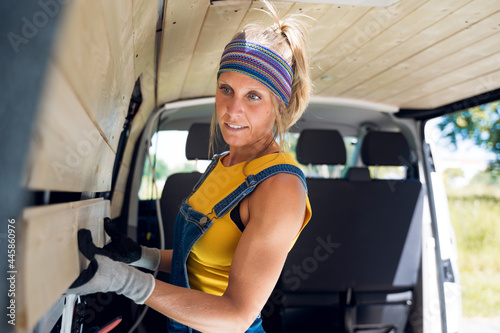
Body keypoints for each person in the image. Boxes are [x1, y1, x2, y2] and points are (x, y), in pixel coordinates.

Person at [69, 2, 312, 332]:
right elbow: (198, 262)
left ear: (278, 104)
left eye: (253, 96)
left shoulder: (280, 187)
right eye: (226, 89)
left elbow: (237, 316)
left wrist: (129, 283)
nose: (232, 110)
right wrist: (141, 255)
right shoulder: (222, 165)